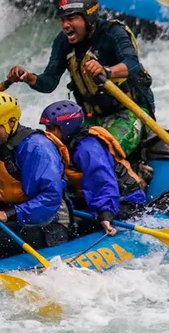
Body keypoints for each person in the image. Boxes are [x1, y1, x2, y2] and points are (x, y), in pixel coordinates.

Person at [5, 0, 154, 157]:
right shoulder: (63, 42)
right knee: (60, 152)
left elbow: (132, 64)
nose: (65, 25)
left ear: (88, 19)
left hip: (128, 112)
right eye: (63, 20)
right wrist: (28, 77)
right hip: (90, 116)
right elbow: (49, 82)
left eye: (71, 18)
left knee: (100, 154)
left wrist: (107, 71)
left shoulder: (113, 33)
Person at [0, 92, 69, 260]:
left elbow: (50, 197)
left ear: (12, 122)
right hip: (17, 218)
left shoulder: (37, 148)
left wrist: (8, 214)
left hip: (50, 224)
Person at [39, 101, 147, 236]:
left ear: (66, 128)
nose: (47, 133)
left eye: (51, 129)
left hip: (123, 202)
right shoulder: (64, 146)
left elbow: (102, 181)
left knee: (71, 227)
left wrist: (105, 214)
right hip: (92, 200)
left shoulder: (88, 149)